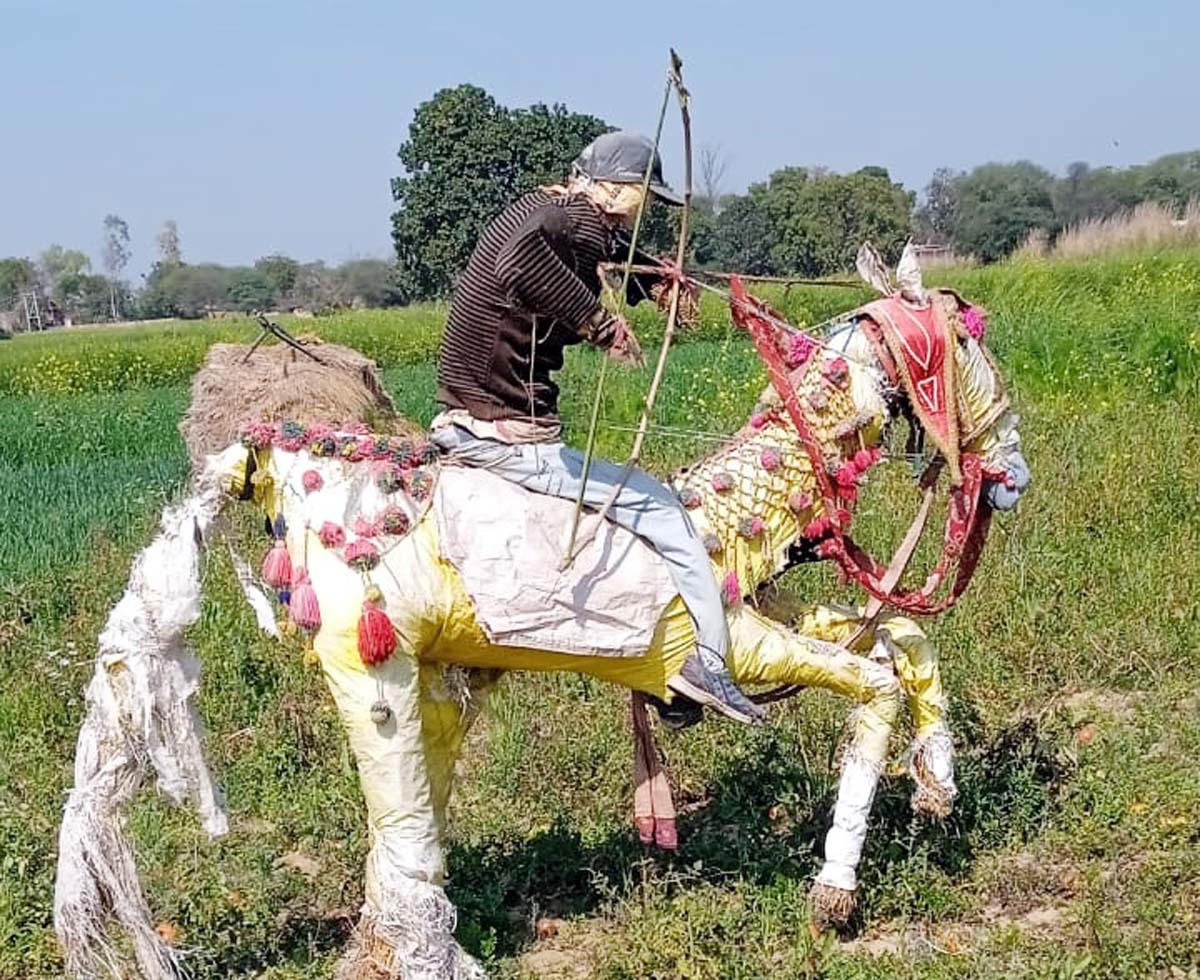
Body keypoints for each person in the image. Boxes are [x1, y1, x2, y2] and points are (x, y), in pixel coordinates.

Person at [429, 130, 762, 725]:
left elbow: (591, 257)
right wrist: (598, 324)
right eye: (644, 199)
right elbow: (527, 260)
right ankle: (709, 666)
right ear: (615, 188)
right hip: (504, 432)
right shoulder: (560, 221)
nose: (646, 212)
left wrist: (652, 279)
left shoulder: (551, 212)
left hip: (473, 417)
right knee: (668, 515)